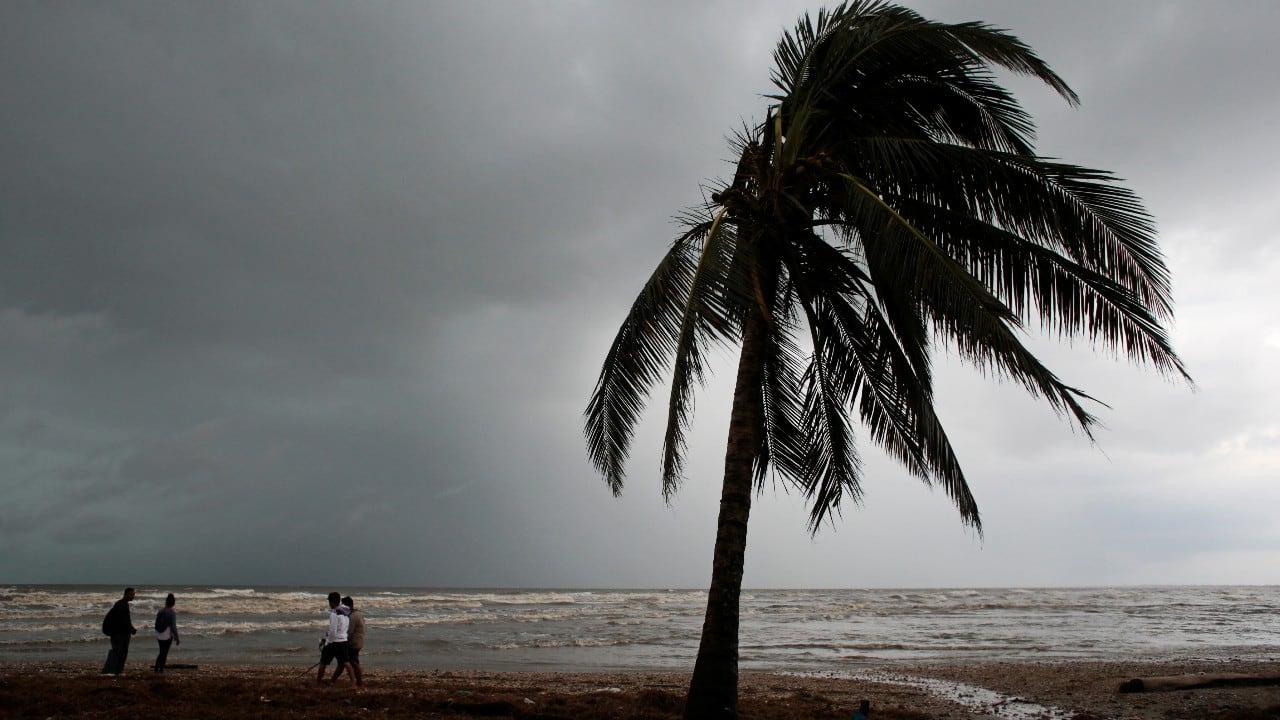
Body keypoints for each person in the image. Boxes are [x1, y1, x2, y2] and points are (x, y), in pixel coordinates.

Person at [100, 587, 137, 675]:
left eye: (134, 594)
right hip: (120, 633)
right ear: (127, 594)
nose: (133, 596)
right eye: (132, 594)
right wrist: (132, 629)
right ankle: (117, 671)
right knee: (121, 653)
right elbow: (125, 620)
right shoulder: (123, 605)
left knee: (116, 652)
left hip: (116, 633)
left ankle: (111, 670)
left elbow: (123, 619)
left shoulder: (119, 603)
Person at [316, 591, 350, 685]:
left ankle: (318, 682)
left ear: (331, 602)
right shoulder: (345, 611)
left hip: (334, 641)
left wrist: (326, 642)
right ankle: (353, 683)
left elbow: (332, 631)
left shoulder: (334, 613)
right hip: (343, 640)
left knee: (323, 663)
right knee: (345, 663)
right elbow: (344, 626)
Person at [332, 595, 364, 689]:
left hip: (353, 643)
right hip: (358, 641)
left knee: (352, 662)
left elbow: (349, 632)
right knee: (345, 662)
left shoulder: (352, 617)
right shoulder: (357, 614)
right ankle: (332, 681)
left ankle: (359, 683)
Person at [153, 593, 180, 673]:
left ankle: (156, 669)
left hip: (159, 634)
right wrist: (177, 638)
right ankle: (160, 669)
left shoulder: (160, 611)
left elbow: (156, 623)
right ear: (173, 603)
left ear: (166, 602)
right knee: (164, 653)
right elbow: (173, 627)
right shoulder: (172, 612)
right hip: (167, 635)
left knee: (161, 652)